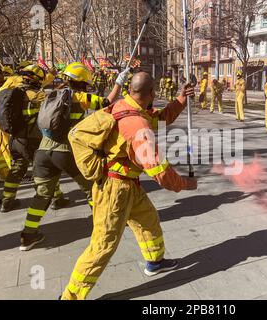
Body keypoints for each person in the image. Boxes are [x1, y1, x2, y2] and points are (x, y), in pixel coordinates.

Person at [61, 72, 197, 300]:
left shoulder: (127, 106)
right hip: (115, 190)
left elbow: (161, 118)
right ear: (152, 93)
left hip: (128, 185)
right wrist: (184, 183)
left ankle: (155, 261)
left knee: (148, 219)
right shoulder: (137, 124)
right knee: (103, 246)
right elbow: (158, 170)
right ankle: (70, 296)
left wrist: (181, 99)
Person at [19, 62, 107, 251]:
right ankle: (103, 227)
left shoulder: (49, 94)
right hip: (66, 152)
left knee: (42, 195)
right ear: (82, 82)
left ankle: (28, 236)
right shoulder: (80, 96)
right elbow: (106, 104)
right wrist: (119, 81)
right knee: (92, 188)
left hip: (43, 153)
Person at [0, 65, 66, 213]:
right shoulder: (38, 96)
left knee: (16, 170)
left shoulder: (12, 92)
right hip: (33, 140)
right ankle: (56, 198)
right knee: (48, 169)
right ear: (36, 79)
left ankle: (7, 201)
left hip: (16, 140)